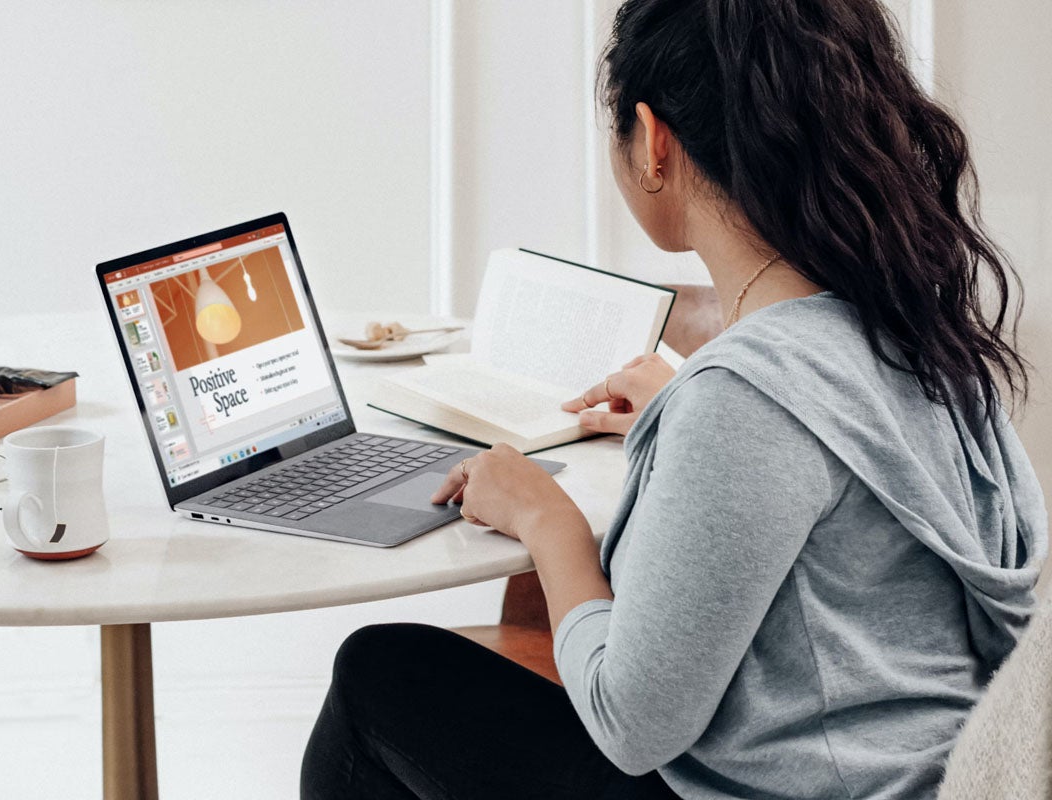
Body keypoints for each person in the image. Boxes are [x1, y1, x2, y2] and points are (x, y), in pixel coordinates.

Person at [300, 0, 1047, 797]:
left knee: (377, 674)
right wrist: (689, 408)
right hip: (934, 771)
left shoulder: (746, 402)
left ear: (654, 141)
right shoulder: (915, 333)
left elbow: (631, 724)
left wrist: (545, 519)